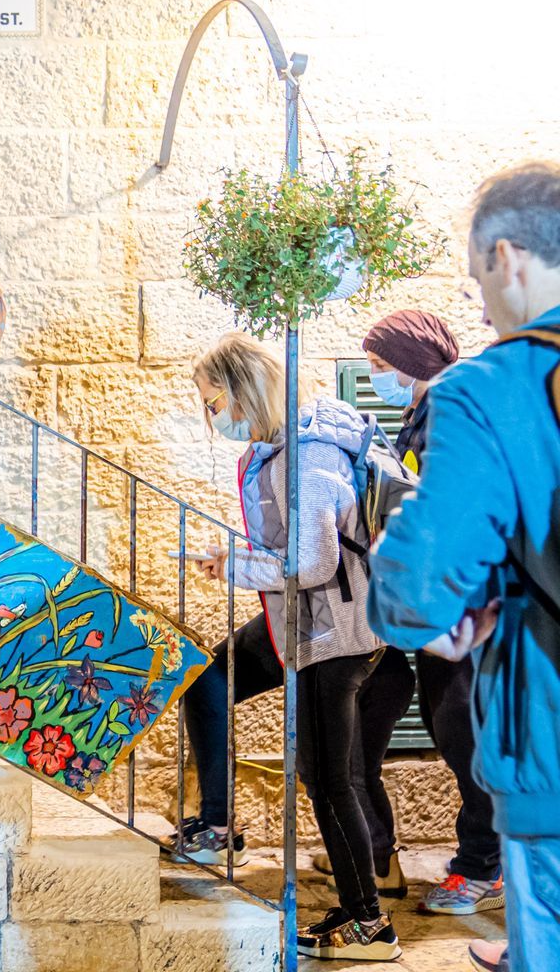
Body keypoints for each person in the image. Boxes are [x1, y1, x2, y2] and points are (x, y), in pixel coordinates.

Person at [370, 162, 560, 972]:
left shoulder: (491, 386)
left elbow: (414, 593)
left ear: (507, 258)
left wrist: (419, 590)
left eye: (480, 279)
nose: (481, 307)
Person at [175, 333, 399, 962]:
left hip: (335, 634)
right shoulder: (283, 450)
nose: (211, 416)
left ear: (244, 391)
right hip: (307, 623)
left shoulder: (307, 456)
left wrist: (237, 567)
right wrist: (235, 558)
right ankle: (221, 827)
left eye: (213, 402)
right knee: (210, 679)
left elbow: (311, 563)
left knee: (329, 781)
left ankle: (369, 926)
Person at [331, 311, 500, 917]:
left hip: (469, 606)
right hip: (442, 604)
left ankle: (482, 869)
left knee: (467, 736)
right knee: (451, 728)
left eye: (382, 366)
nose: (377, 377)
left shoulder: (454, 414)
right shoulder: (421, 414)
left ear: (411, 361)